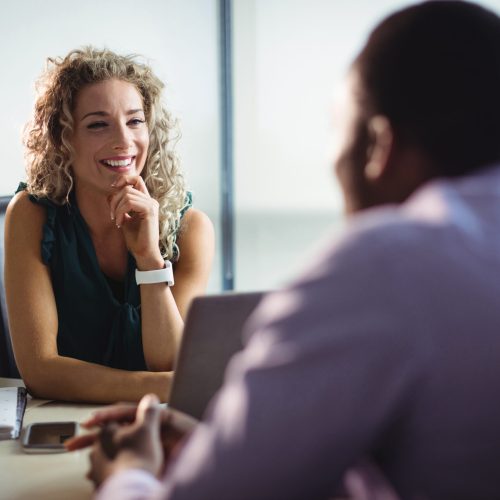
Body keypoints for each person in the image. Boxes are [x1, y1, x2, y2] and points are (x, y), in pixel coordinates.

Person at [67, 1, 500, 498]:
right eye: (98, 123)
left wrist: (130, 473)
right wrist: (232, 446)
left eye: (336, 126)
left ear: (379, 145)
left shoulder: (383, 262)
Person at [4, 47, 214, 403]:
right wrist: (163, 387)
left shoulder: (191, 229)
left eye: (135, 121)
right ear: (64, 138)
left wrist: (149, 259)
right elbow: (40, 371)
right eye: (98, 124)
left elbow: (171, 360)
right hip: (58, 422)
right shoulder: (30, 215)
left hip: (154, 427)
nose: (123, 141)